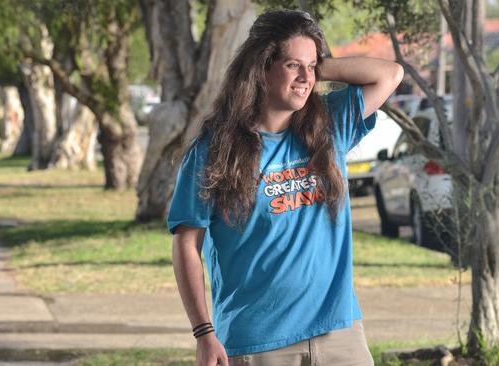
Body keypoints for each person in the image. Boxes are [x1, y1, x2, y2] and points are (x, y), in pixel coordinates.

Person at [167, 9, 403, 366]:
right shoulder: (214, 151)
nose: (306, 78)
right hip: (258, 341)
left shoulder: (328, 125)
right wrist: (203, 332)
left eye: (312, 66)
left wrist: (313, 66)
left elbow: (389, 75)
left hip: (339, 334)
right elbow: (187, 243)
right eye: (293, 65)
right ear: (261, 67)